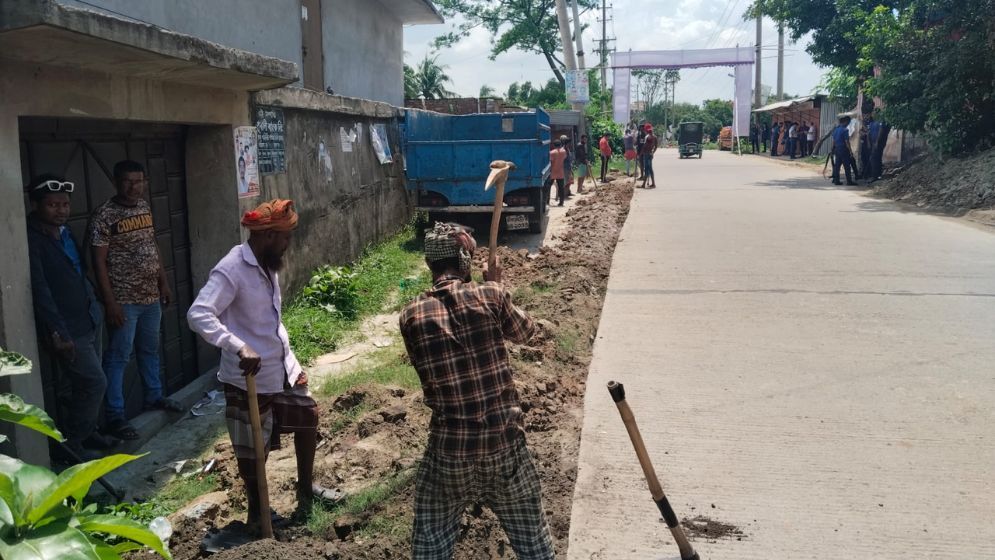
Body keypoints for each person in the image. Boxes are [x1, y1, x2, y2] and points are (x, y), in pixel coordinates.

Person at [400, 222, 555, 560]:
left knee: (430, 545)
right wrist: (499, 288)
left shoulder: (410, 315)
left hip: (449, 453)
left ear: (429, 263)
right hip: (504, 447)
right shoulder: (491, 296)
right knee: (535, 544)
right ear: (464, 261)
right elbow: (526, 332)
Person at [187, 199, 336, 533]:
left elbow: (270, 319)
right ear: (267, 235)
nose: (288, 243)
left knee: (307, 417)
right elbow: (198, 314)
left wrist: (290, 360)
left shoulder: (268, 263)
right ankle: (258, 514)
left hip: (280, 367)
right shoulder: (231, 269)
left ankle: (305, 489)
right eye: (285, 237)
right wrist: (238, 346)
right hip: (247, 377)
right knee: (254, 452)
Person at [27, 175, 117, 461]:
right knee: (94, 382)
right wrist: (57, 331)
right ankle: (72, 447)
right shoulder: (31, 240)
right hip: (67, 327)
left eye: (64, 204)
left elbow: (81, 270)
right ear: (37, 205)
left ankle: (88, 430)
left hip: (89, 316)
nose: (61, 210)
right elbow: (40, 290)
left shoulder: (65, 232)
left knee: (75, 386)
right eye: (53, 205)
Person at [90, 160, 182, 441]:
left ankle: (153, 397)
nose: (134, 187)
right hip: (124, 300)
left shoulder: (143, 207)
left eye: (139, 181)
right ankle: (115, 417)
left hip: (150, 297)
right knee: (118, 357)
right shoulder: (104, 215)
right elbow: (98, 261)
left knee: (149, 350)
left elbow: (151, 245)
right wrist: (111, 303)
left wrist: (163, 282)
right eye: (128, 181)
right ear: (117, 182)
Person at [831, 116, 857, 186]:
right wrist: (850, 151)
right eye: (848, 122)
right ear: (845, 122)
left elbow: (833, 141)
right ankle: (849, 181)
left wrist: (832, 149)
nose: (848, 124)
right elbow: (847, 142)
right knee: (847, 166)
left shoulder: (836, 130)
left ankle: (836, 180)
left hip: (837, 149)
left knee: (837, 166)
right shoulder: (845, 130)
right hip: (844, 150)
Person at [548, 140, 567, 206]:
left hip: (552, 172)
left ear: (554, 145)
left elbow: (550, 161)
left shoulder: (551, 153)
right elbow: (564, 158)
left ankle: (547, 201)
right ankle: (561, 202)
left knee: (548, 187)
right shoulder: (563, 152)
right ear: (560, 145)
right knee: (561, 188)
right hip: (560, 172)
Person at [640, 124, 657, 189]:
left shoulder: (647, 137)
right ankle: (653, 183)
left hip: (646, 154)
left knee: (647, 169)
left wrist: (640, 153)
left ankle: (644, 184)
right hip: (650, 154)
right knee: (650, 169)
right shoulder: (655, 137)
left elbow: (645, 146)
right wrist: (653, 152)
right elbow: (656, 147)